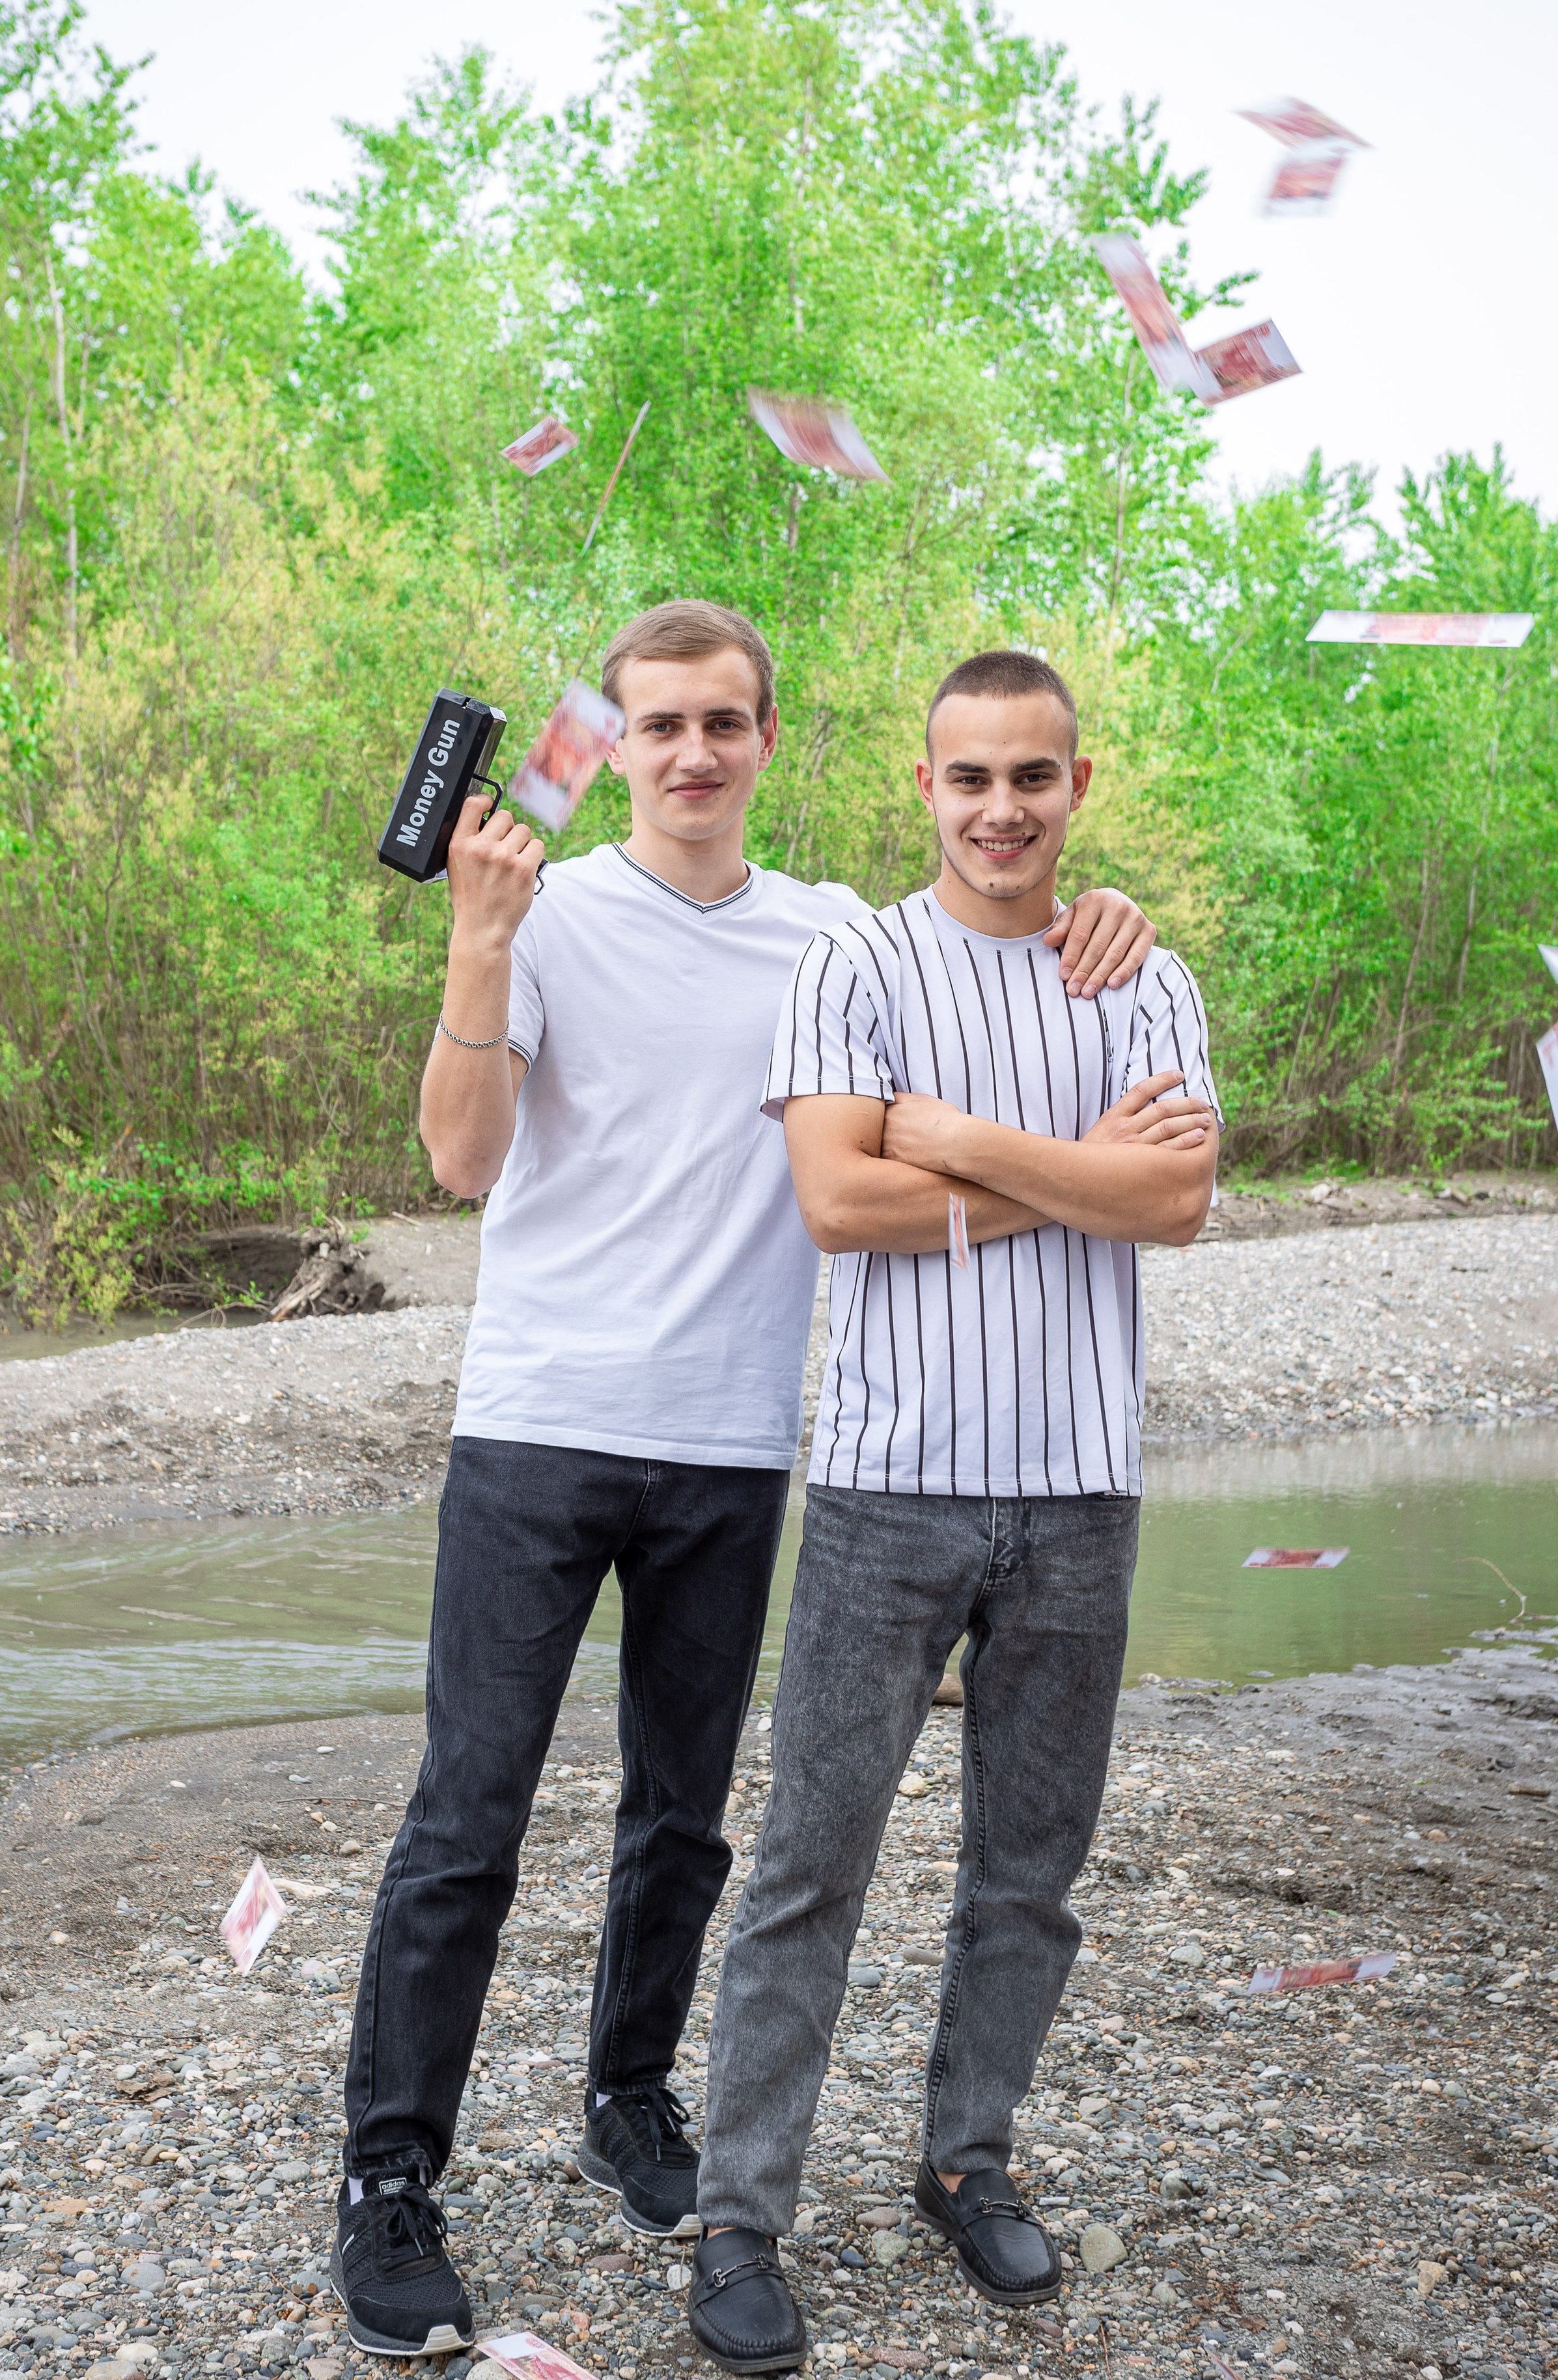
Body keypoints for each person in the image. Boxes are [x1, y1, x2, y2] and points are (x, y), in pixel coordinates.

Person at [328, 603, 1160, 2360]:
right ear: (616, 744)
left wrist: (1106, 912)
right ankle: (391, 2172)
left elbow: (986, 927)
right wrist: (476, 941)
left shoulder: (833, 937)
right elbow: (462, 1161)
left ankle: (631, 2097)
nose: (693, 754)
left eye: (724, 723)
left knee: (683, 1815)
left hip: (734, 1439)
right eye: (660, 727)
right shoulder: (544, 910)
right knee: (468, 1814)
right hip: (542, 1423)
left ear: (770, 738)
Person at [687, 647, 1220, 2375]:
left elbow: (1179, 1200)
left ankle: (964, 2160)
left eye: (1032, 777)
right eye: (970, 777)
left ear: (1078, 784)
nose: (1001, 809)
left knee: (1029, 1875)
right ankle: (740, 2217)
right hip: (888, 1488)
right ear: (925, 785)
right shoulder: (859, 960)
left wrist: (964, 1140)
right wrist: (1081, 1171)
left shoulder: (1143, 979)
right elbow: (840, 1202)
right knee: (810, 1864)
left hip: (1080, 1489)